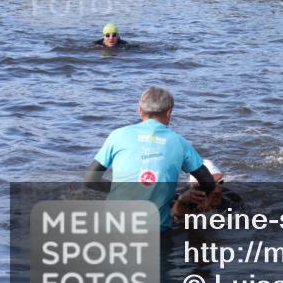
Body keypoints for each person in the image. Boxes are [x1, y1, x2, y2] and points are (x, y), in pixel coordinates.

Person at [85, 87, 217, 231]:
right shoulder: (180, 142)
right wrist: (188, 200)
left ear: (139, 110)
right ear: (169, 112)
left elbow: (90, 179)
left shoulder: (117, 136)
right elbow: (208, 183)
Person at [171, 159, 243, 222]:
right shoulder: (177, 199)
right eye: (210, 185)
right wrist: (181, 204)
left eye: (220, 182)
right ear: (195, 188)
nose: (217, 190)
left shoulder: (232, 199)